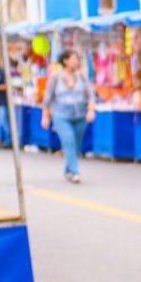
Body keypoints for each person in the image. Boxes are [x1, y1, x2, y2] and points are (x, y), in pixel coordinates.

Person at [42, 50, 95, 184]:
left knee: (76, 145)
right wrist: (45, 116)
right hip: (61, 116)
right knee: (69, 140)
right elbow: (47, 98)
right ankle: (75, 171)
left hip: (79, 115)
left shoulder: (82, 77)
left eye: (77, 59)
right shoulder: (55, 77)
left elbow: (90, 95)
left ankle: (68, 169)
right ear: (65, 61)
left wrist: (91, 110)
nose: (76, 62)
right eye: (73, 59)